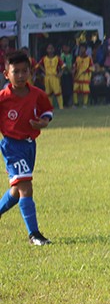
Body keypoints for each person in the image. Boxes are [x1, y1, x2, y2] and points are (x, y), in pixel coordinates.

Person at [0, 51, 54, 245]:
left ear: (30, 72)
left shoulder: (37, 94)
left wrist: (44, 121)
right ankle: (34, 235)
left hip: (30, 145)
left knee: (16, 192)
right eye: (16, 72)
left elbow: (47, 110)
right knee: (26, 187)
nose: (21, 75)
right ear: (7, 74)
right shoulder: (3, 98)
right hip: (11, 146)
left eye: (25, 71)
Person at [38, 44, 64, 110]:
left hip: (54, 77)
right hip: (47, 77)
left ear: (54, 50)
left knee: (57, 92)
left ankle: (61, 107)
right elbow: (38, 65)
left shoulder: (57, 58)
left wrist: (60, 73)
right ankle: (50, 107)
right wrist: (44, 70)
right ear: (46, 50)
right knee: (48, 93)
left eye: (51, 48)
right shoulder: (44, 58)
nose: (50, 50)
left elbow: (63, 66)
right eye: (49, 48)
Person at [59, 43, 74, 108]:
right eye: (65, 47)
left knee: (69, 88)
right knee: (64, 88)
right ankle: (64, 103)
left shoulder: (70, 56)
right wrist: (68, 70)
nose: (66, 49)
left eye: (67, 47)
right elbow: (63, 65)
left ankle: (68, 102)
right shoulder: (62, 56)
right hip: (64, 74)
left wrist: (72, 70)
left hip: (69, 74)